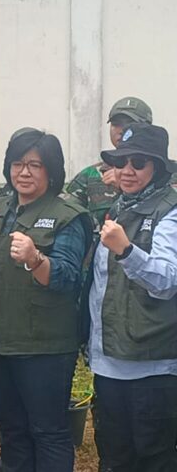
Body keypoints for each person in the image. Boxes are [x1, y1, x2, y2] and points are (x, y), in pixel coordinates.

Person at [0, 128, 92, 472]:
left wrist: (36, 259)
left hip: (44, 347)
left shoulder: (68, 215)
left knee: (48, 432)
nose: (23, 172)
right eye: (17, 163)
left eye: (34, 165)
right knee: (11, 431)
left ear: (51, 170)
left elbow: (68, 278)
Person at [86, 123, 177, 471]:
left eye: (138, 162)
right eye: (121, 161)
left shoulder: (169, 210)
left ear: (157, 168)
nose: (127, 170)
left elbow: (167, 281)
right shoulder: (119, 207)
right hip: (109, 362)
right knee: (113, 458)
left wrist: (126, 250)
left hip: (151, 365)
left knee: (154, 459)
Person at [66, 97, 152, 227]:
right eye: (116, 123)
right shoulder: (90, 175)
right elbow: (67, 216)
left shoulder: (168, 175)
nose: (121, 129)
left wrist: (128, 186)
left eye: (130, 123)